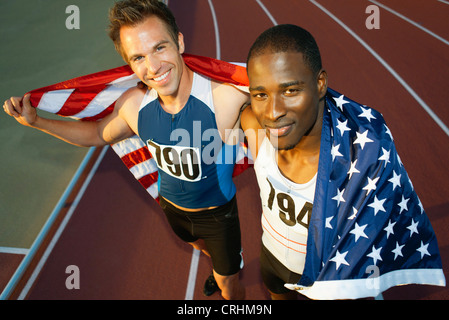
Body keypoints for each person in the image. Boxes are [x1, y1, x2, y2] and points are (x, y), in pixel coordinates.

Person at [3, 0, 248, 300]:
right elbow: (95, 133)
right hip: (172, 210)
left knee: (229, 289)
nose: (153, 66)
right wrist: (37, 121)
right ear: (130, 65)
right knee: (198, 245)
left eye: (160, 48)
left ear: (180, 41)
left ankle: (229, 271)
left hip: (218, 218)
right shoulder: (134, 105)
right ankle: (217, 263)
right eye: (139, 57)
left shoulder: (225, 98)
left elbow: (282, 103)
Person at [241, 24, 445, 300]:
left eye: (290, 91)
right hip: (273, 260)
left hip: (333, 275)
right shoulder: (253, 125)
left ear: (320, 83)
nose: (273, 112)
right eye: (261, 94)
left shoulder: (362, 162)